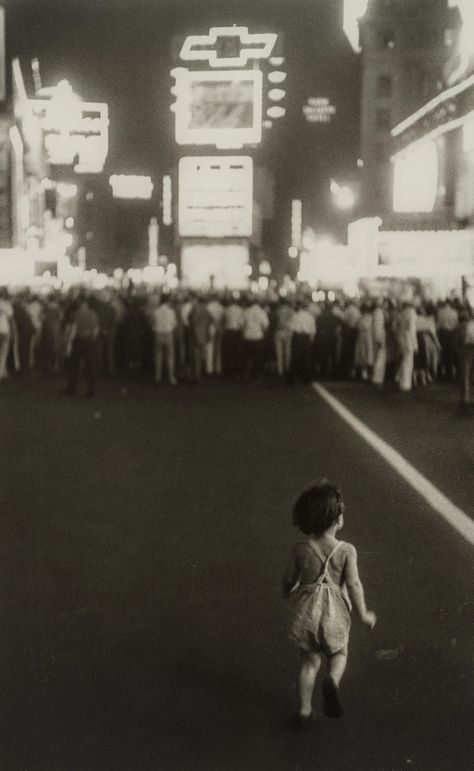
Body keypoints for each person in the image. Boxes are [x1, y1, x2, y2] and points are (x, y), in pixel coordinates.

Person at [283, 480, 376, 727]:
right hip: (335, 615)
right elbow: (354, 585)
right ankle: (332, 681)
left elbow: (288, 581)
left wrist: (289, 590)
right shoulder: (346, 550)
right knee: (339, 653)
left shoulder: (300, 549)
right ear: (336, 518)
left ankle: (304, 710)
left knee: (309, 662)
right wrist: (364, 614)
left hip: (307, 615)